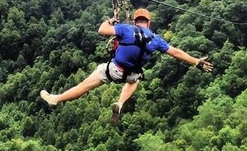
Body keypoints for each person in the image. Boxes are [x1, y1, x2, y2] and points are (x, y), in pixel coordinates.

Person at [40, 8, 213, 125]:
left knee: (84, 85)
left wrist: (110, 20)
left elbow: (101, 30)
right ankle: (121, 103)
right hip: (133, 74)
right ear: (149, 23)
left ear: (135, 21)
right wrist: (197, 62)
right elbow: (177, 53)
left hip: (114, 70)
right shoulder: (155, 38)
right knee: (134, 81)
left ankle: (56, 99)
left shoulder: (126, 29)